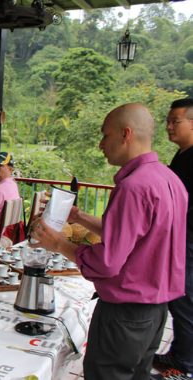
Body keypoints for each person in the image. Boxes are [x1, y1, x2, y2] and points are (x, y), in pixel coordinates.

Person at [30, 103, 187, 380]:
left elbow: (108, 262)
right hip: (155, 313)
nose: (101, 144)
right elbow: (136, 235)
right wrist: (79, 216)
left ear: (125, 134)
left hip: (124, 315)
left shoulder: (134, 186)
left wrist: (57, 244)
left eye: (105, 135)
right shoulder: (169, 179)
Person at [152, 98, 193, 380]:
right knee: (179, 301)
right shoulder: (183, 154)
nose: (169, 127)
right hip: (178, 238)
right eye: (167, 121)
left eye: (174, 121)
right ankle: (178, 354)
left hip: (187, 240)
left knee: (184, 301)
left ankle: (184, 366)